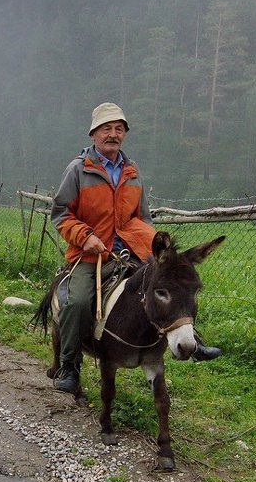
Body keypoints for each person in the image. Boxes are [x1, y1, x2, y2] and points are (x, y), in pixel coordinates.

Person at [50, 102, 221, 393]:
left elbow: (142, 217)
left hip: (132, 250)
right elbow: (61, 214)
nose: (113, 134)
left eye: (119, 129)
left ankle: (194, 342)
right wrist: (85, 236)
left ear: (124, 135)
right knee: (77, 301)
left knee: (174, 286)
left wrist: (156, 252)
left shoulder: (131, 170)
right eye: (107, 129)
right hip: (91, 254)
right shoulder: (78, 170)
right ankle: (69, 365)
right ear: (94, 134)